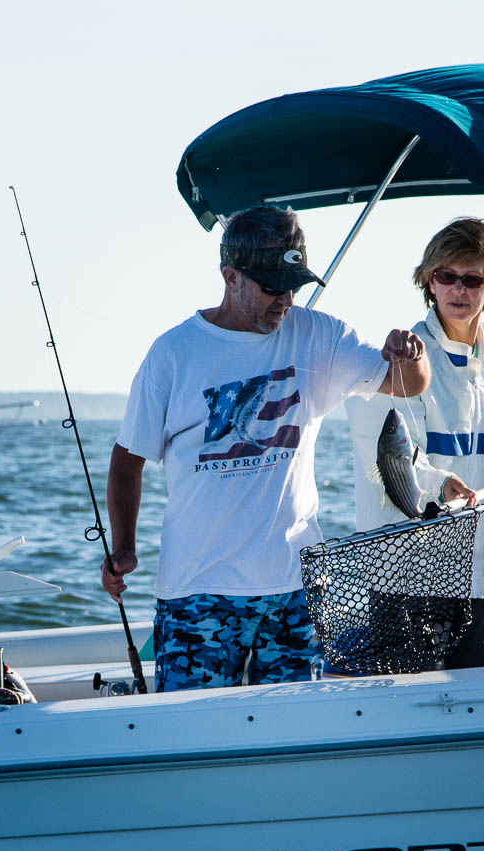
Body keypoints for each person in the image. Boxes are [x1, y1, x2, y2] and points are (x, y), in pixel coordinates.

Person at [102, 205, 429, 692]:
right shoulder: (173, 354)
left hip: (299, 589)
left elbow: (409, 385)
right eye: (273, 286)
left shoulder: (320, 335)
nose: (286, 298)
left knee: (301, 735)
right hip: (199, 591)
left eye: (293, 284)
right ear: (230, 277)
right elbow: (127, 463)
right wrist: (124, 547)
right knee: (194, 737)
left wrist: (412, 356)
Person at [344, 217, 484, 668]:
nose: (458, 290)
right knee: (405, 710)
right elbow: (395, 455)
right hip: (409, 575)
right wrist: (439, 484)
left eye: (472, 279)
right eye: (447, 277)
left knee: (482, 704)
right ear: (430, 281)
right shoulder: (407, 356)